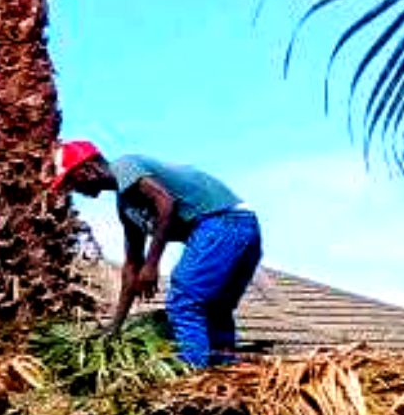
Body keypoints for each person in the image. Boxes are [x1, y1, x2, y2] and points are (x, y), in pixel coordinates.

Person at [52, 139, 263, 368]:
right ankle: (224, 369)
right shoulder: (126, 207)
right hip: (239, 229)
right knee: (215, 308)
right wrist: (115, 326)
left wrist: (152, 265)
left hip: (224, 221)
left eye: (72, 181)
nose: (74, 190)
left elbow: (166, 203)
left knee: (184, 299)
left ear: (87, 169)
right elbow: (132, 266)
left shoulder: (124, 166)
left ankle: (194, 373)